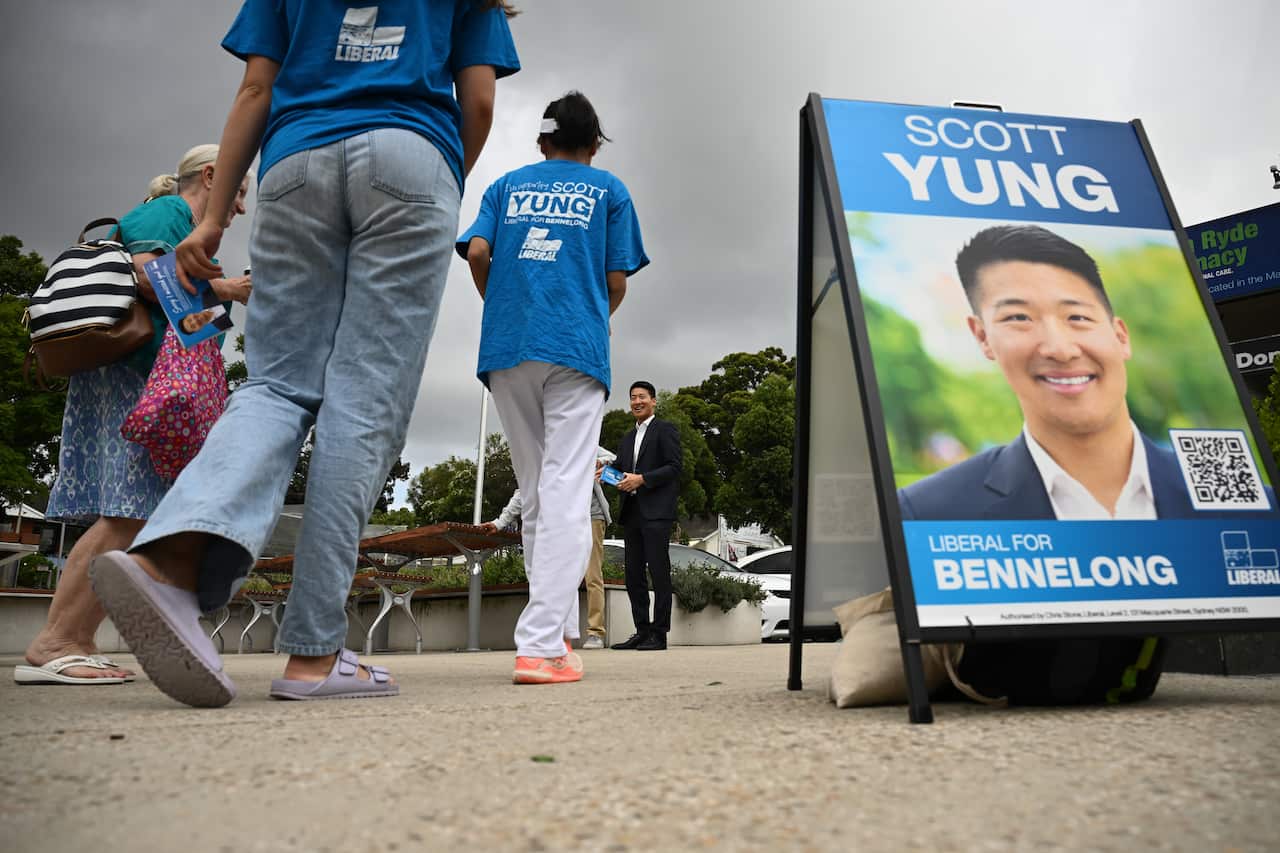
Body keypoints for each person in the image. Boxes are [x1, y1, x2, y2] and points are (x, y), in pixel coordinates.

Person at [87, 0, 520, 707]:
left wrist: (212, 216)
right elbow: (478, 100)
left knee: (275, 383)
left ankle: (169, 558)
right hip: (411, 152)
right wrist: (437, 177)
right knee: (365, 397)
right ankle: (315, 654)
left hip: (295, 162)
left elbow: (256, 89)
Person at [15, 145, 250, 687]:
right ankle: (57, 640)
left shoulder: (176, 220)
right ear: (211, 175)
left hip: (133, 372)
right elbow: (151, 278)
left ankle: (72, 638)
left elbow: (183, 309)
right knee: (128, 511)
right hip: (135, 374)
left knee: (134, 512)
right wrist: (229, 288)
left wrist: (220, 301)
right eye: (238, 191)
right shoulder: (169, 213)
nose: (240, 207)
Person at [898, 224, 1275, 522]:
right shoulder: (930, 512)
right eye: (1018, 318)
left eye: (1077, 317)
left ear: (1120, 336)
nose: (1060, 349)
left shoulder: (1233, 489)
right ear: (983, 337)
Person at [459, 91, 648, 684]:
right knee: (566, 489)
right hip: (575, 347)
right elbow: (616, 281)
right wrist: (590, 317)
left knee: (538, 492)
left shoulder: (506, 186)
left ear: (542, 141)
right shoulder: (611, 190)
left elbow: (479, 251)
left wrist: (505, 304)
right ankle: (540, 645)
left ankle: (562, 631)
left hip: (508, 347)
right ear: (595, 143)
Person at [480, 453, 614, 649]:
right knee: (562, 574)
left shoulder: (580, 440)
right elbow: (523, 492)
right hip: (563, 517)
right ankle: (558, 632)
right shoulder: (540, 451)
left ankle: (596, 632)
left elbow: (614, 457)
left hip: (591, 515)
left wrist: (601, 462)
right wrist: (500, 522)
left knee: (591, 574)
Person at [609, 381, 682, 651]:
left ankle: (659, 634)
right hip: (632, 513)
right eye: (632, 398)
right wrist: (605, 471)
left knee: (659, 572)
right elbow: (619, 469)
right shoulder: (627, 437)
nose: (636, 401)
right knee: (634, 576)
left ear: (653, 401)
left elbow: (674, 467)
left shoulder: (665, 430)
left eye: (641, 397)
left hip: (657, 513)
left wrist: (642, 479)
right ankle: (641, 630)